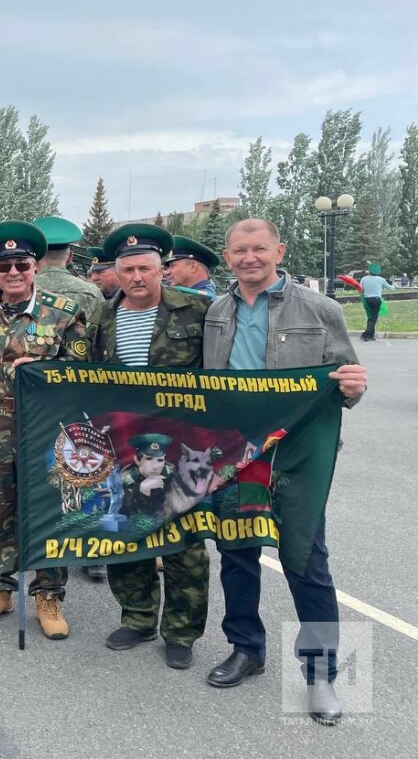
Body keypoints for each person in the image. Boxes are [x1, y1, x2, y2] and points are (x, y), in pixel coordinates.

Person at [203, 218, 367, 725]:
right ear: (227, 257)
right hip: (236, 453)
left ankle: (321, 675)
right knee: (236, 553)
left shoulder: (320, 309)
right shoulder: (217, 311)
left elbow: (346, 381)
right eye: (239, 250)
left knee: (306, 560)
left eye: (259, 248)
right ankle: (245, 649)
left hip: (294, 455)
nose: (249, 258)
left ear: (279, 250)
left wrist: (355, 387)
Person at [82, 223, 212, 669]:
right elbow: (83, 376)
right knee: (125, 532)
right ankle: (137, 618)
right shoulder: (101, 316)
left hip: (183, 447)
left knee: (184, 541)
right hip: (123, 445)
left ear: (162, 270)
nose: (137, 277)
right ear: (117, 273)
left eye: (145, 268)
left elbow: (223, 374)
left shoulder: (198, 311)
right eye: (128, 270)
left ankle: (181, 631)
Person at [0, 221, 86, 636]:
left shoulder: (64, 311)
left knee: (47, 508)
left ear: (35, 266)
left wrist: (46, 370)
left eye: (22, 264)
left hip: (44, 426)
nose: (14, 273)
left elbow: (84, 370)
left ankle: (48, 595)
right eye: (4, 267)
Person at [31, 216, 108, 581]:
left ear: (34, 255)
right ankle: (92, 553)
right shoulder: (90, 293)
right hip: (81, 396)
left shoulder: (22, 288)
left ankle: (43, 546)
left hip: (34, 402)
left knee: (42, 475)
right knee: (86, 470)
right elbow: (98, 346)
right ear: (71, 254)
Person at [358, 263, 394, 341]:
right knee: (373, 318)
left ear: (369, 271)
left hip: (367, 299)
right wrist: (393, 285)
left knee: (370, 317)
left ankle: (371, 335)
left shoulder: (364, 279)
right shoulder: (381, 279)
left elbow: (360, 289)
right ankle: (365, 335)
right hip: (376, 299)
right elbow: (391, 288)